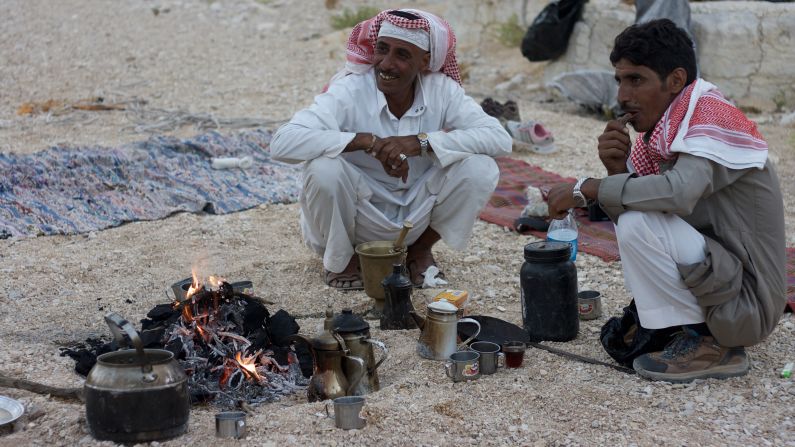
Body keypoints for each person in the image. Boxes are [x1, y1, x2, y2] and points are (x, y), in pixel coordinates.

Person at [547, 19, 786, 382]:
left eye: (636, 80)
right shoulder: (666, 131)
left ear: (675, 80)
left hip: (745, 306)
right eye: (620, 80)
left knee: (638, 222)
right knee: (635, 220)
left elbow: (677, 194)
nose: (622, 96)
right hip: (720, 282)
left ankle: (709, 344)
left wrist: (589, 187)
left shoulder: (709, 118)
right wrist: (615, 170)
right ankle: (682, 331)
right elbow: (649, 208)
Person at [270, 9, 512, 290]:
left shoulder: (441, 90)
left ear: (425, 61)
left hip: (416, 215)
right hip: (357, 214)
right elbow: (283, 142)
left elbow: (499, 139)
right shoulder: (350, 90)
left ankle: (419, 251)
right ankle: (341, 259)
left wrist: (421, 142)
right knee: (323, 168)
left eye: (402, 55)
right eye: (382, 50)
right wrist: (363, 141)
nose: (386, 63)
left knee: (480, 167)